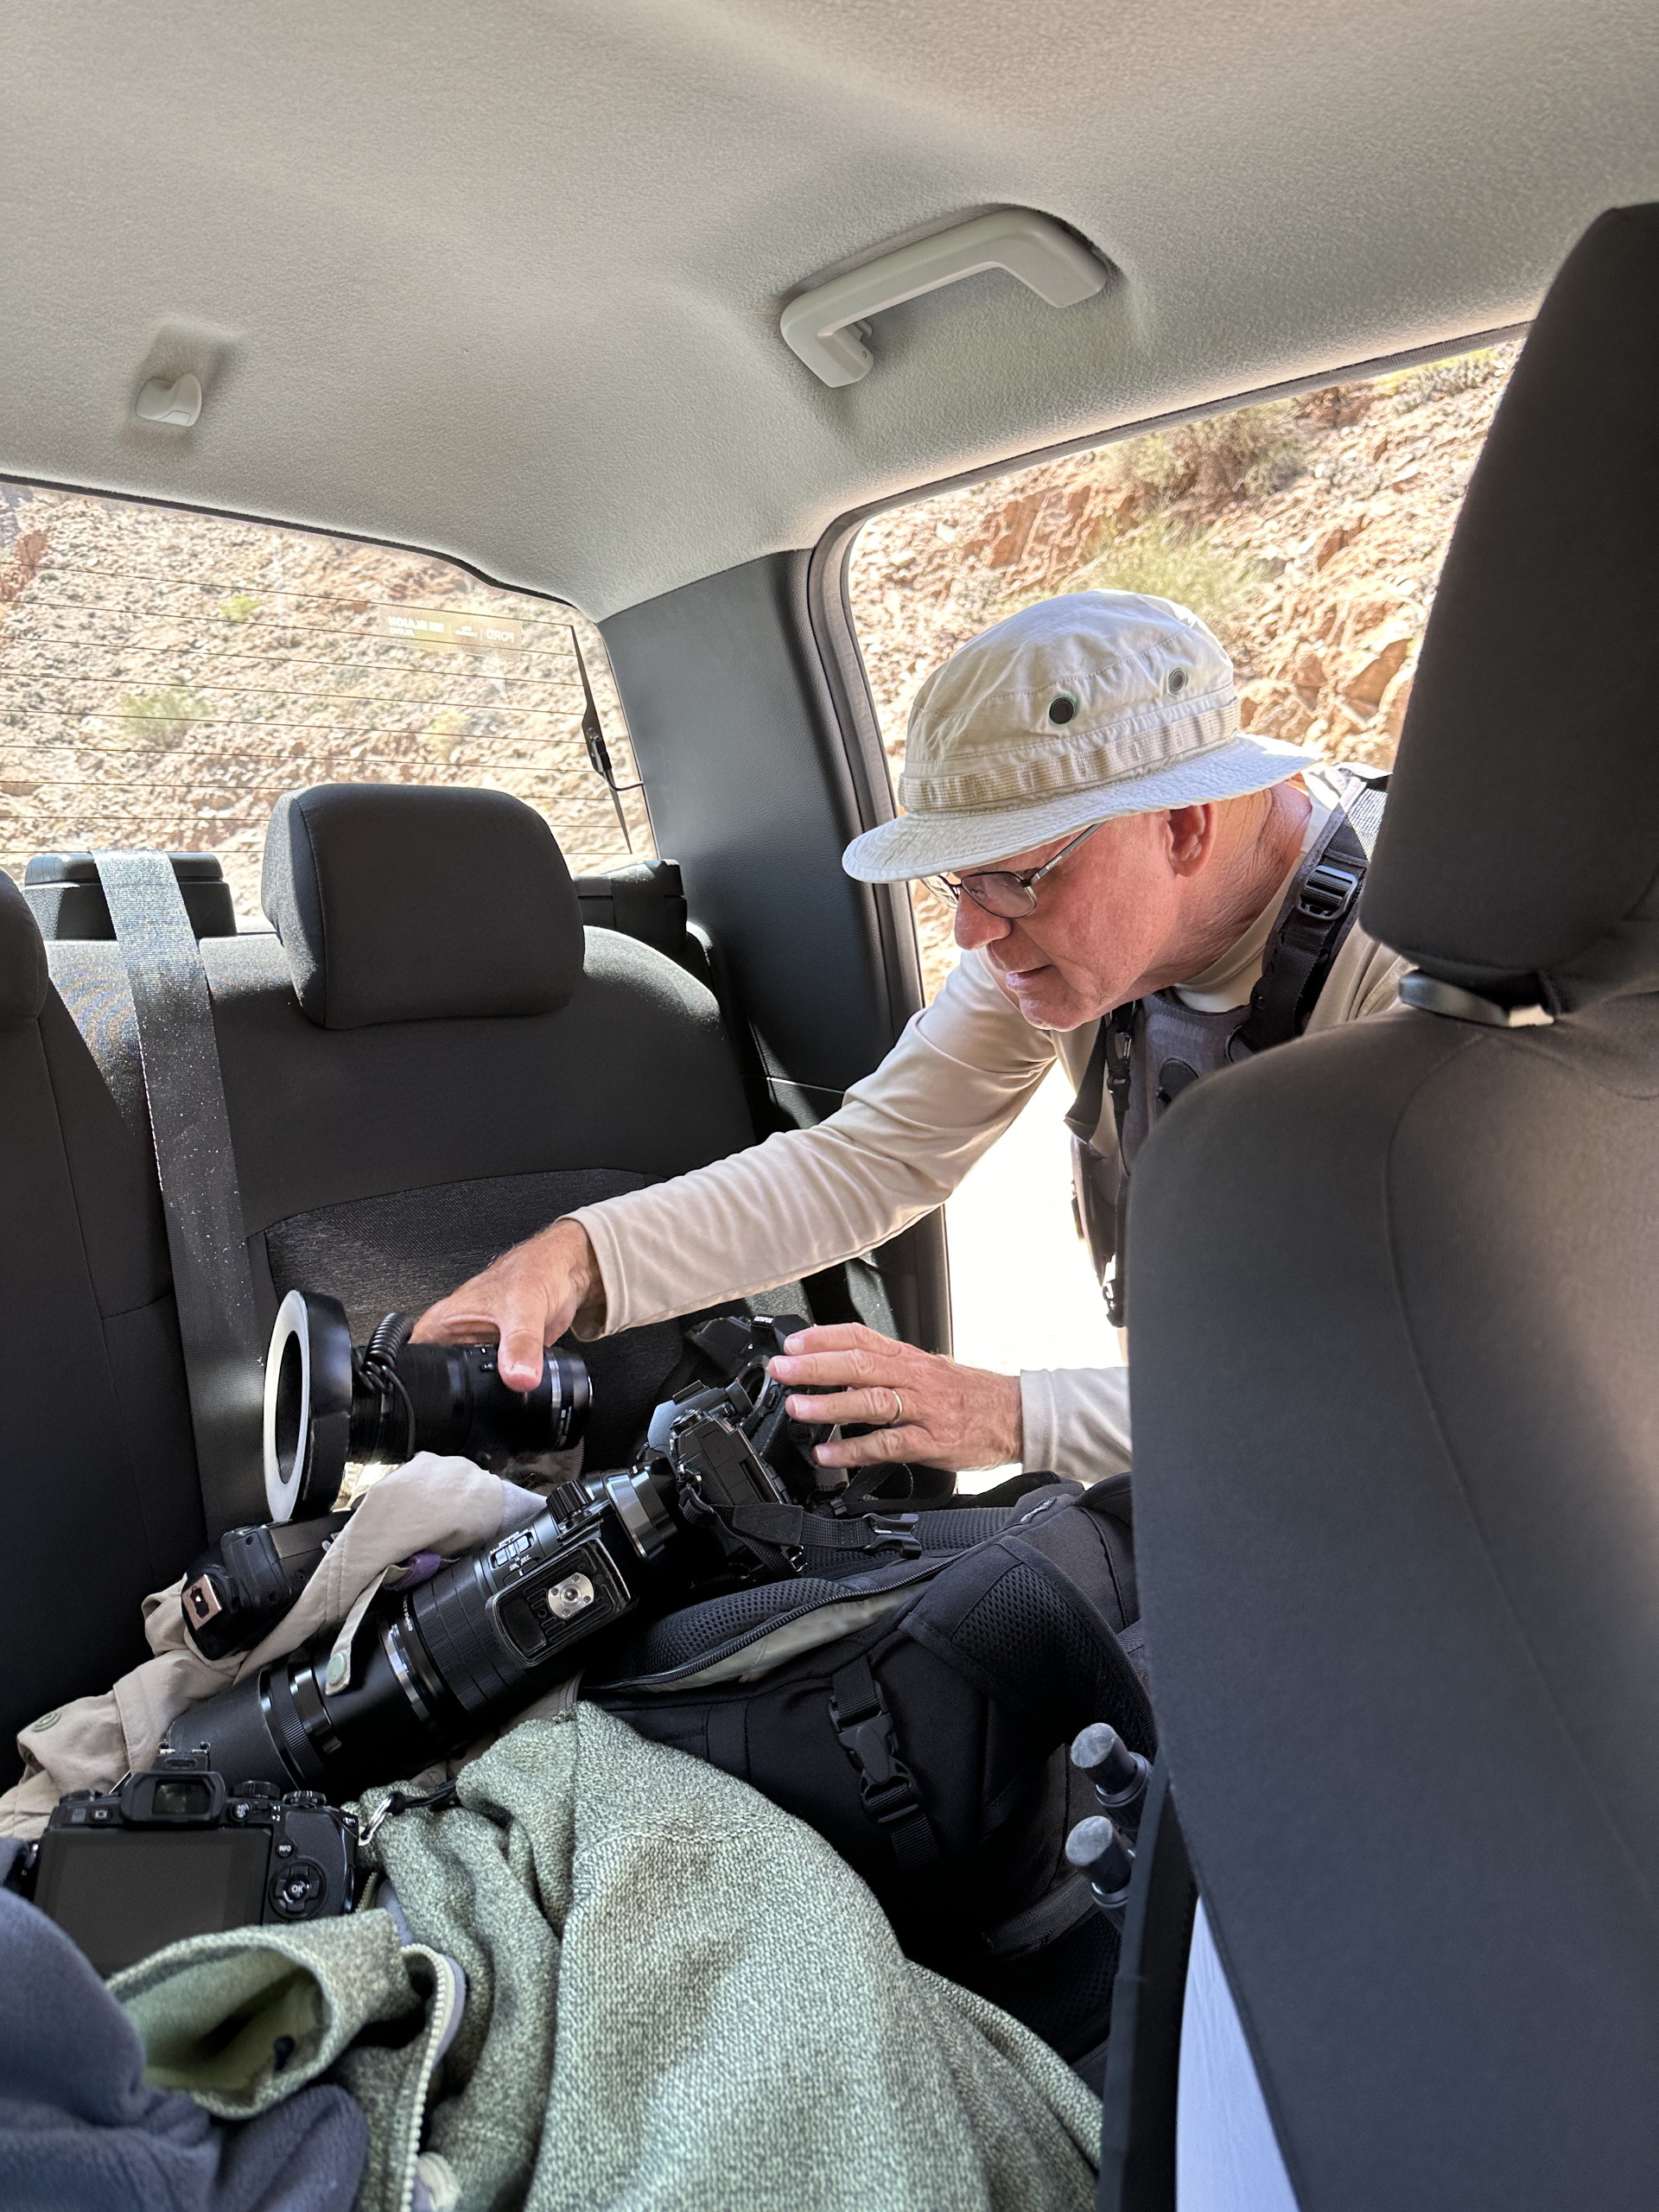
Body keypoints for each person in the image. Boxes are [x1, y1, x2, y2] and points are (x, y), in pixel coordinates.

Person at [413, 592, 1405, 1485]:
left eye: (1011, 877)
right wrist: (574, 1260)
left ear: (1182, 826)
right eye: (956, 882)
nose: (971, 932)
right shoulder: (1072, 941)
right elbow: (868, 1161)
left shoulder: (1418, 973)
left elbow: (1401, 1392)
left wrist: (1007, 1416)